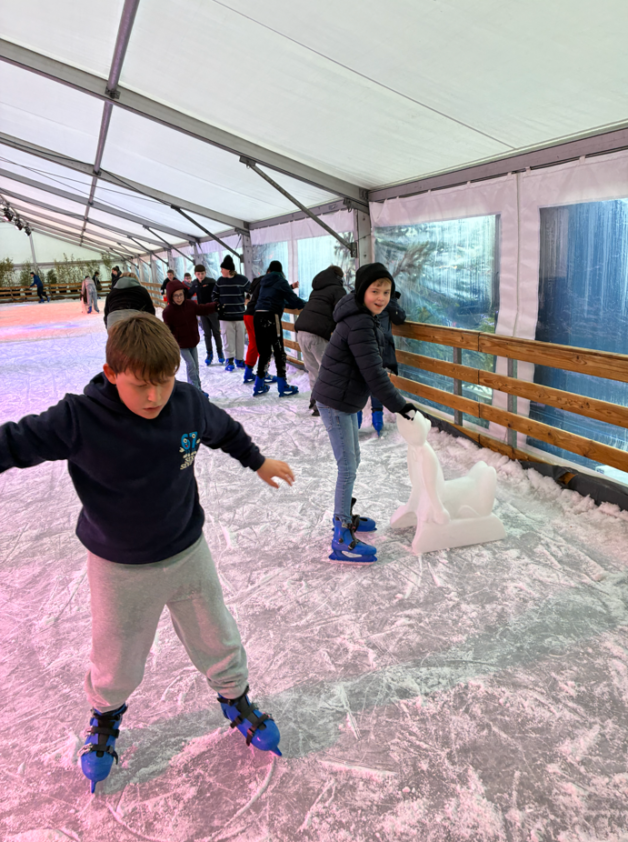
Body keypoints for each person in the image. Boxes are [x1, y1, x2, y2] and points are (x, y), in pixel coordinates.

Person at [0, 313, 293, 791]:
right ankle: (105, 716)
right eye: (140, 385)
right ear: (111, 373)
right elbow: (13, 442)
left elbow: (224, 430)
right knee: (116, 657)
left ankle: (235, 699)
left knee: (217, 636)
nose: (155, 396)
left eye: (164, 381)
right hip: (120, 567)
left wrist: (257, 461)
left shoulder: (187, 403)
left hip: (187, 552)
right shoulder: (79, 418)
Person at [312, 262, 416, 563]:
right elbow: (374, 373)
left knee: (352, 460)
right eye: (375, 291)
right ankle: (341, 535)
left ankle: (345, 515)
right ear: (361, 292)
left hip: (342, 398)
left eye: (386, 292)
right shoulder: (359, 322)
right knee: (347, 466)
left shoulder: (363, 317)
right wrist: (402, 407)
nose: (381, 297)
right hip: (336, 401)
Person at [294, 265, 346, 416]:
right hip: (317, 333)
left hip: (301, 331)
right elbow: (342, 311)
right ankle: (328, 404)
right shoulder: (338, 290)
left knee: (313, 369)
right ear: (339, 277)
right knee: (328, 370)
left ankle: (317, 402)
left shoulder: (316, 289)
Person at [252, 260, 306, 398]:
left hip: (257, 315)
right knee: (279, 351)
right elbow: (293, 299)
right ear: (281, 271)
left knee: (264, 352)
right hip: (271, 316)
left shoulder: (264, 281)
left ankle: (258, 384)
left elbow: (275, 298)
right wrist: (308, 304)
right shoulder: (281, 281)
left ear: (269, 270)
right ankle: (283, 385)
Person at [163, 280, 216, 393]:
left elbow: (202, 309)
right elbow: (167, 330)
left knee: (195, 366)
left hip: (193, 341)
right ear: (171, 296)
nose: (179, 298)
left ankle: (196, 389)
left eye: (181, 295)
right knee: (191, 364)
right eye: (176, 296)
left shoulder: (190, 305)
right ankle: (196, 390)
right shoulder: (168, 312)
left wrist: (215, 305)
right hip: (181, 344)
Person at [367, 290, 407, 435]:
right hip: (380, 345)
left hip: (362, 343)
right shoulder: (386, 299)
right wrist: (393, 299)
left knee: (362, 378)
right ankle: (377, 418)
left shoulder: (359, 296)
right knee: (377, 380)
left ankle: (356, 418)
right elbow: (400, 317)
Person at [212, 255, 250, 372]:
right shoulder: (220, 281)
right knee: (227, 339)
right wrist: (218, 305)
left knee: (240, 339)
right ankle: (229, 360)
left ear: (228, 270)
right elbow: (214, 294)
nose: (221, 271)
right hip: (225, 316)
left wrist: (248, 299)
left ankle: (239, 359)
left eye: (222, 269)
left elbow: (252, 290)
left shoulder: (242, 280)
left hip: (239, 315)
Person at [191, 264, 224, 365]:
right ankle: (209, 353)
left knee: (216, 332)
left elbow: (218, 293)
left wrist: (218, 305)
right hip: (202, 312)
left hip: (212, 310)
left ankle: (220, 352)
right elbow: (188, 294)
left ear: (205, 273)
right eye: (198, 274)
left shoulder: (211, 282)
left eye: (202, 273)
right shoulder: (194, 283)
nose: (200, 276)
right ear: (195, 274)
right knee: (207, 334)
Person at [242, 275, 262, 383]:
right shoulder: (266, 283)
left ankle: (248, 373)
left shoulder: (256, 283)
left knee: (253, 344)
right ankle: (263, 374)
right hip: (256, 316)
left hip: (248, 314)